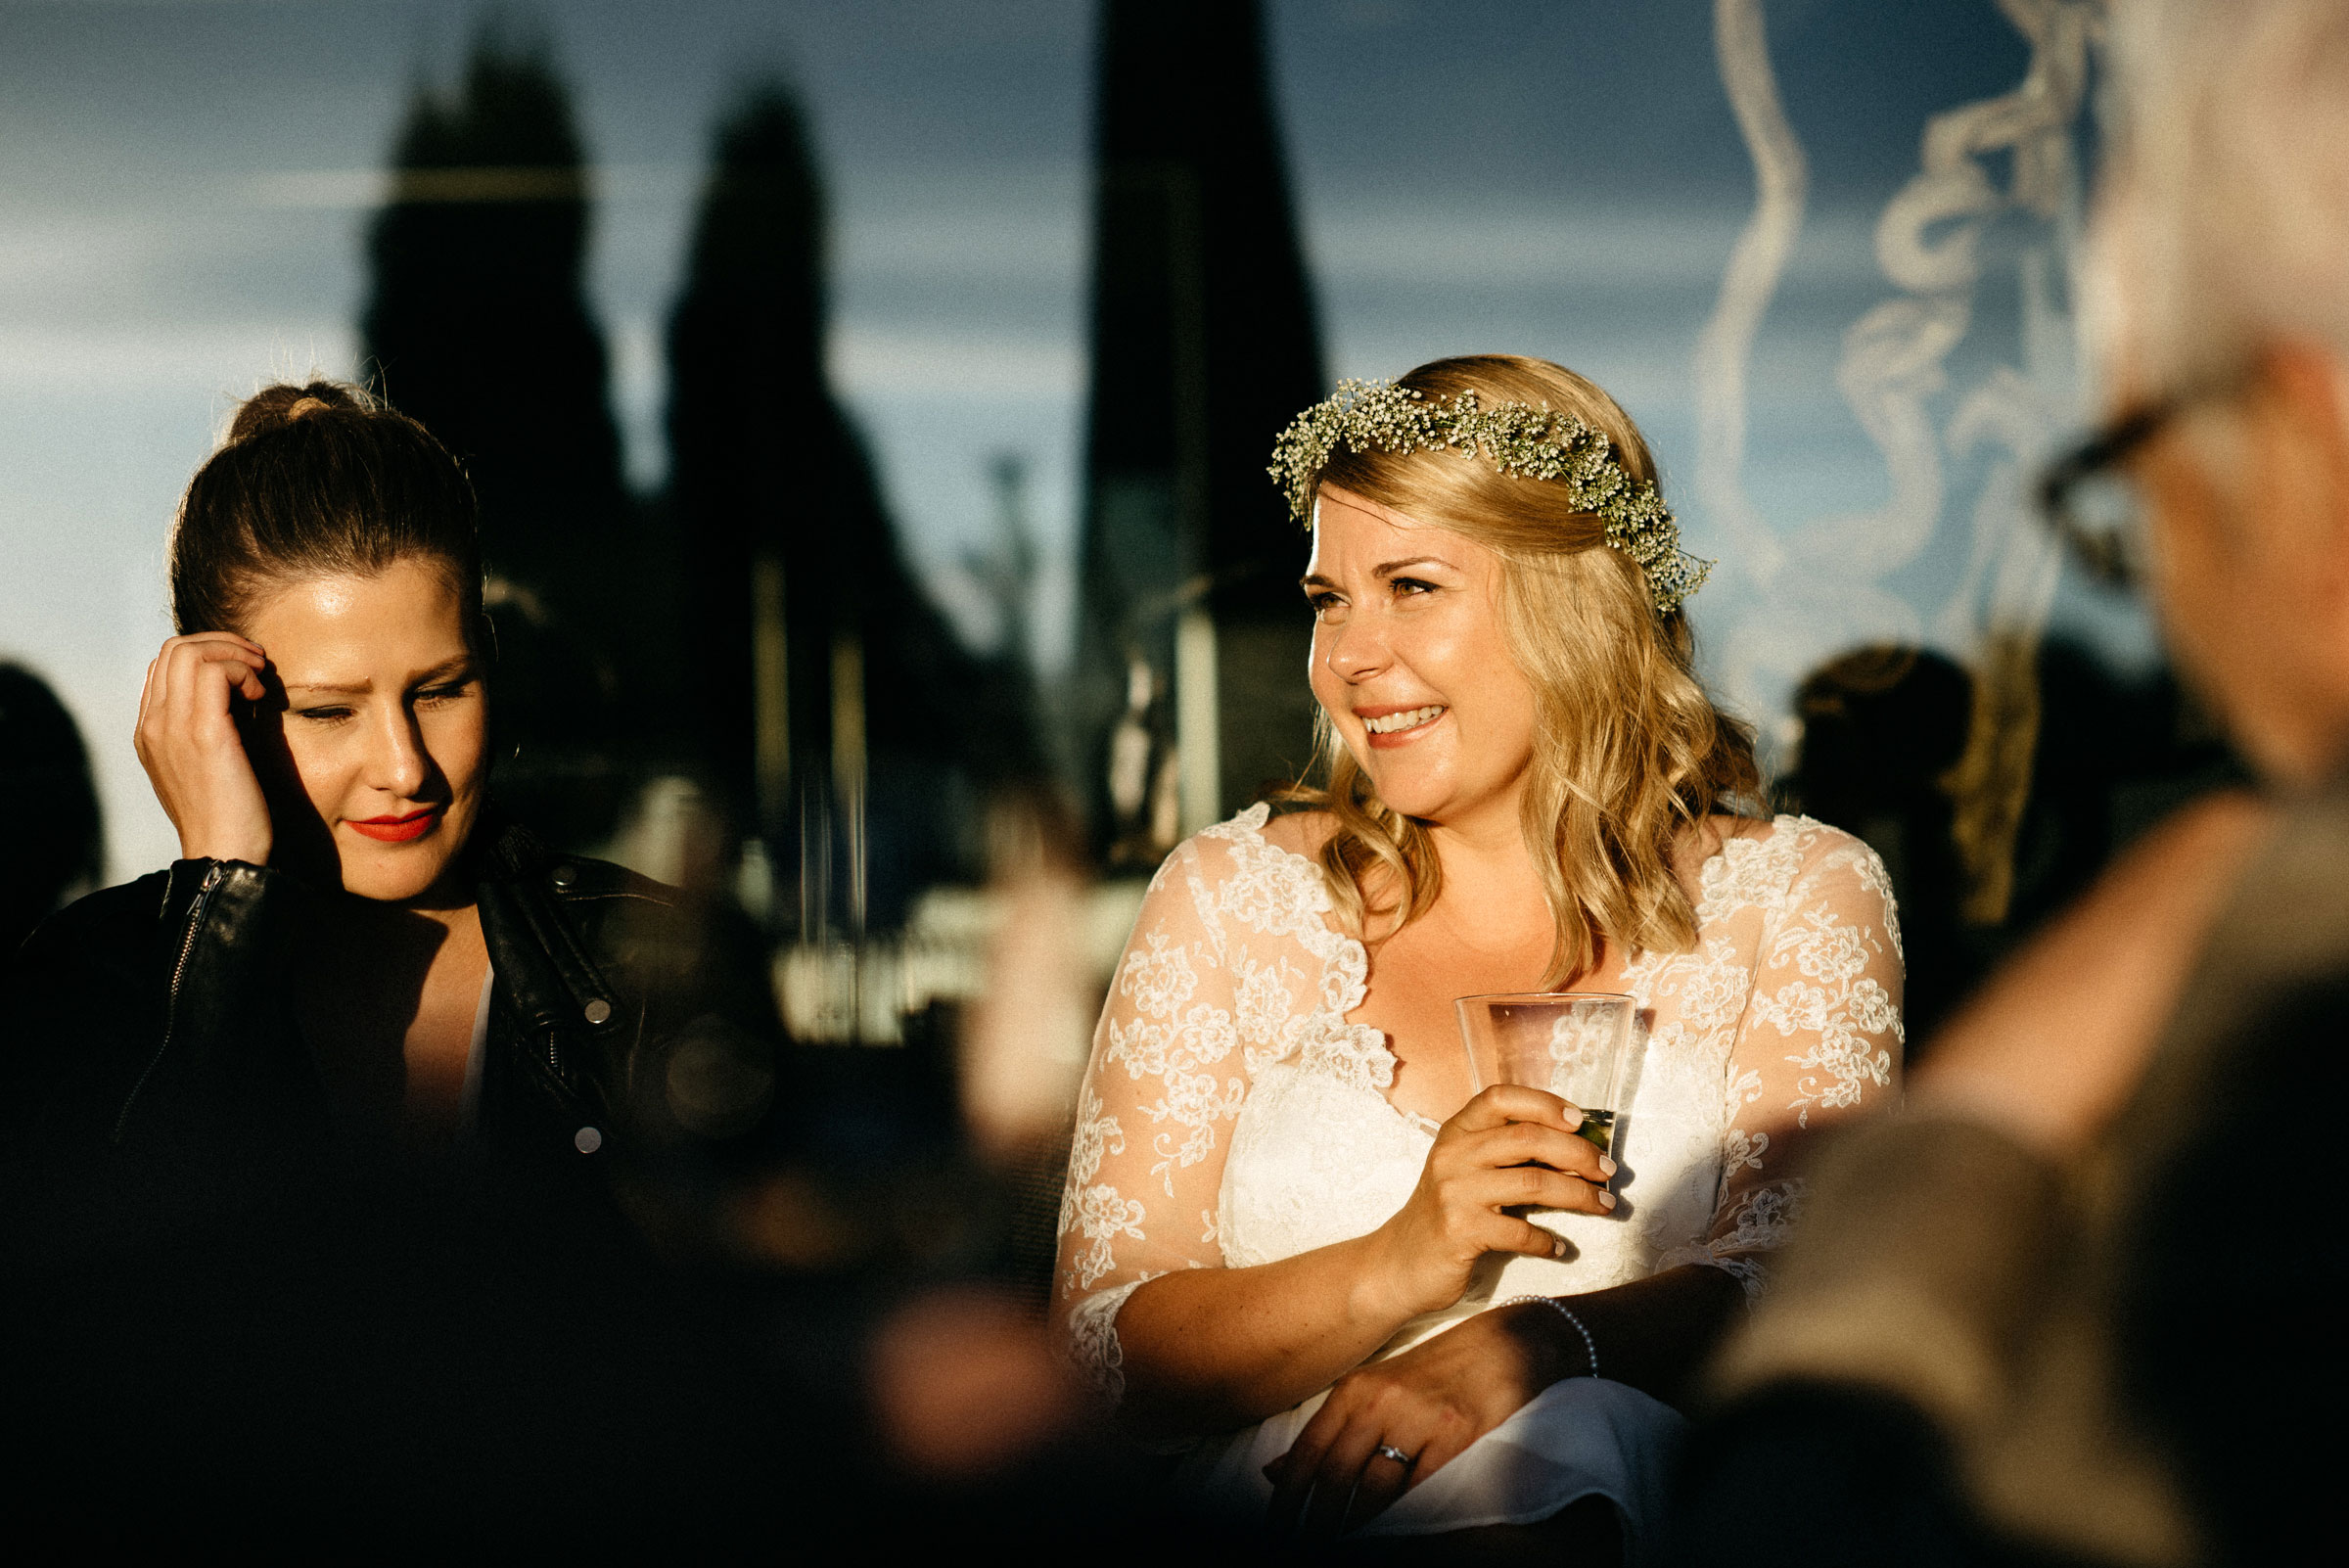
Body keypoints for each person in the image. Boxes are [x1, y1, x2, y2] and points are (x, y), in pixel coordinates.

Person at [1672, 4, 2349, 1563]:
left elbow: (1838, 1536)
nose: (2153, 584)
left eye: (2118, 482)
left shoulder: (2309, 1028)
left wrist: (1968, 1127)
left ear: (2306, 445)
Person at [1051, 355, 1905, 1556]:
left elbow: (1820, 1275)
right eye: (1327, 599)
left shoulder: (1792, 897)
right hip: (1284, 1517)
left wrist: (1536, 1348)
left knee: (1589, 1434)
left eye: (1410, 586)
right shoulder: (1239, 898)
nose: (1348, 655)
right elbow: (1106, 1354)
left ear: (1574, 600)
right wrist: (1402, 1260)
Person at [0, 380, 777, 1196]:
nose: (405, 768)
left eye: (440, 691)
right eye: (331, 711)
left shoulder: (647, 968)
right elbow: (127, 1301)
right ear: (215, 709)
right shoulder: (87, 982)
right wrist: (219, 913)